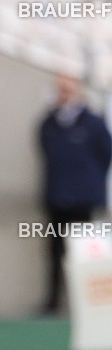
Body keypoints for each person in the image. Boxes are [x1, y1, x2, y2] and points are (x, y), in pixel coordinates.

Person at [38, 74, 112, 315]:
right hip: (57, 199)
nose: (64, 96)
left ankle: (86, 306)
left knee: (85, 255)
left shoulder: (93, 123)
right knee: (54, 252)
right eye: (61, 90)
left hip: (84, 201)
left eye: (68, 90)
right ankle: (53, 303)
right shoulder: (48, 123)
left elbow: (105, 154)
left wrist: (88, 184)